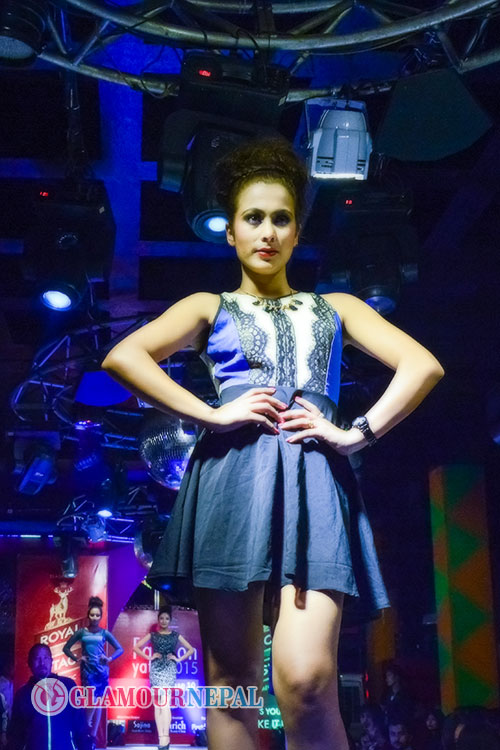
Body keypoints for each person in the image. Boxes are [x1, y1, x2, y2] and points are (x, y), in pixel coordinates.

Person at [102, 138, 444, 750]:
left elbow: (422, 366)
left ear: (297, 231)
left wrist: (355, 433)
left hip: (314, 487)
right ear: (231, 231)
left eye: (280, 218)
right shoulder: (208, 306)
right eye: (253, 218)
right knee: (232, 687)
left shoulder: (336, 307)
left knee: (307, 681)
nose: (267, 231)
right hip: (230, 484)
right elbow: (124, 358)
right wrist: (211, 414)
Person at [62, 596, 124, 743]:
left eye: (97, 615)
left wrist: (109, 658)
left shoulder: (104, 633)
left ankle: (93, 736)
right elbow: (66, 648)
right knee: (92, 702)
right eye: (92, 615)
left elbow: (120, 649)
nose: (95, 618)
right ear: (88, 615)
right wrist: (77, 658)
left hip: (101, 672)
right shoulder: (82, 632)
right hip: (87, 672)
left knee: (98, 703)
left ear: (101, 617)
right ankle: (84, 731)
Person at [8, 643, 92, 750]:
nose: (42, 663)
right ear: (30, 663)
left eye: (46, 658)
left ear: (51, 661)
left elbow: (80, 724)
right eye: (37, 658)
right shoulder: (22, 694)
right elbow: (16, 734)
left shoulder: (68, 686)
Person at [133, 605, 195, 750]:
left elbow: (191, 649)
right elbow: (136, 647)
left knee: (165, 704)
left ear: (170, 620)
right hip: (156, 670)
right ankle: (161, 737)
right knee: (158, 705)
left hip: (169, 670)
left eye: (167, 618)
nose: (164, 621)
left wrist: (178, 659)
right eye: (161, 618)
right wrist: (149, 657)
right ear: (158, 620)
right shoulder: (153, 635)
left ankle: (165, 738)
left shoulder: (175, 635)